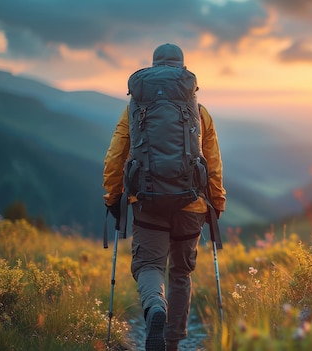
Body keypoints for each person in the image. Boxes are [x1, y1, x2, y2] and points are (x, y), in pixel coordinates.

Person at [103, 43, 226, 351]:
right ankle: (172, 343)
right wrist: (217, 203)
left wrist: (113, 197)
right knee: (181, 273)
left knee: (149, 266)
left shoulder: (133, 109)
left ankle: (155, 306)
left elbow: (115, 156)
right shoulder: (199, 112)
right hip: (191, 202)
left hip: (147, 200)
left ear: (154, 67)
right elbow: (212, 161)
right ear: (183, 71)